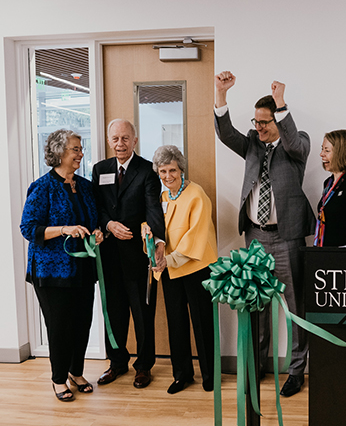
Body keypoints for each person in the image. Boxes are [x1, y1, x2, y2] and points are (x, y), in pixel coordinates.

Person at [214, 71, 315, 397]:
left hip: (288, 236)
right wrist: (221, 94)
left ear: (278, 119)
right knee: (256, 304)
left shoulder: (297, 144)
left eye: (264, 122)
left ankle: (296, 371)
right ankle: (255, 367)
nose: (258, 128)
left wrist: (282, 103)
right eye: (256, 122)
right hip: (255, 236)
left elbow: (293, 142)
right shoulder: (252, 144)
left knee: (295, 307)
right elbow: (226, 133)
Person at [20, 129, 104, 402]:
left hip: (82, 268)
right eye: (75, 149)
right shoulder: (42, 187)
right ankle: (58, 379)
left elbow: (92, 220)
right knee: (60, 326)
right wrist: (64, 229)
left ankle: (75, 371)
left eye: (80, 149)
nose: (80, 154)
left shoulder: (85, 185)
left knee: (83, 323)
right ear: (59, 153)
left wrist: (97, 231)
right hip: (50, 271)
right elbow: (28, 228)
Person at [92, 119, 165, 389]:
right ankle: (117, 363)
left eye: (125, 138)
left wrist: (157, 241)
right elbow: (96, 206)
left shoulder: (147, 170)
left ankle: (144, 366)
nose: (119, 144)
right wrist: (108, 224)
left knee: (143, 313)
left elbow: (153, 209)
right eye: (115, 139)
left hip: (138, 255)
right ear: (109, 141)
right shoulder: (100, 169)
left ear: (134, 140)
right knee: (115, 312)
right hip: (109, 255)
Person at [142, 145, 216, 394]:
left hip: (195, 268)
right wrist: (149, 238)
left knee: (202, 323)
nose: (167, 176)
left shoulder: (197, 194)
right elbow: (154, 228)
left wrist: (169, 260)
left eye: (172, 169)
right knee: (176, 324)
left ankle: (210, 374)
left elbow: (195, 236)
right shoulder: (162, 198)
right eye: (162, 171)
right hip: (170, 271)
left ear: (181, 169)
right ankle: (182, 374)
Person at [315, 129, 346, 247]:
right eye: (322, 149)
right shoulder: (328, 183)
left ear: (341, 153)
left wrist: (345, 262)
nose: (321, 154)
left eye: (327, 150)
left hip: (339, 258)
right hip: (323, 251)